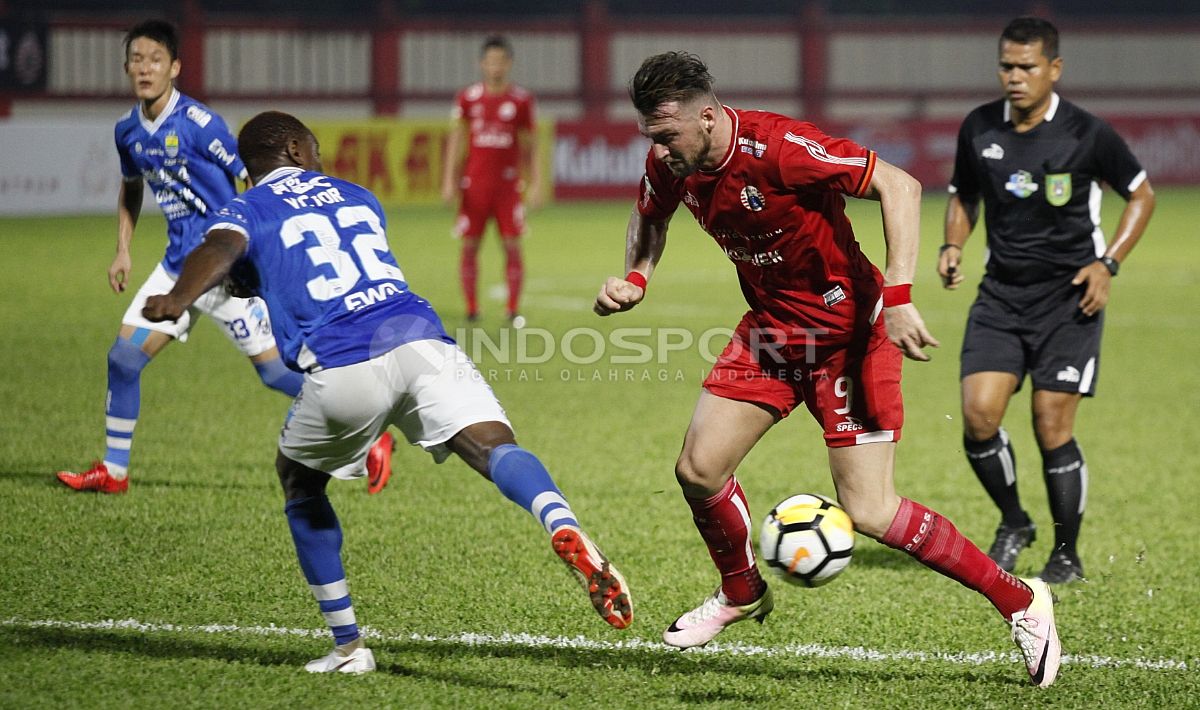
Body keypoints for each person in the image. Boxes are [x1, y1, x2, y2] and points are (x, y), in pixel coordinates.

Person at [595, 51, 1060, 687]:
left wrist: (898, 295)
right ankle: (740, 591)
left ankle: (1022, 601)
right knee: (698, 470)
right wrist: (637, 276)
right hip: (770, 332)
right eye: (652, 136)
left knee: (869, 510)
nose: (660, 150)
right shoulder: (670, 161)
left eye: (668, 135)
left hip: (851, 335)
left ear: (707, 117)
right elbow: (649, 218)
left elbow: (901, 186)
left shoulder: (780, 147)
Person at [142, 111, 633, 673]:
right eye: (316, 148)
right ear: (297, 151)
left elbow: (223, 251)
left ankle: (349, 647)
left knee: (300, 481)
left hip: (346, 362)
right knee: (494, 446)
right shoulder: (357, 196)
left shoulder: (242, 208)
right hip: (421, 339)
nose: (320, 157)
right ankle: (559, 520)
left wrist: (180, 296)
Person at [54, 20, 395, 495]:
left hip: (226, 269)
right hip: (178, 268)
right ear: (127, 68)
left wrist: (259, 246)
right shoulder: (127, 131)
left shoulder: (199, 125)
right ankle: (113, 473)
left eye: (155, 59)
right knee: (124, 360)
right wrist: (123, 251)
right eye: (136, 59)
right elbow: (131, 189)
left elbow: (257, 176)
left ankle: (372, 430)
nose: (144, 68)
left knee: (275, 372)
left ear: (174, 67)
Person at [939, 17, 1155, 584]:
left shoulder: (1087, 133)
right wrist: (953, 244)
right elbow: (964, 194)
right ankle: (1015, 521)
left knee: (1050, 423)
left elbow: (1142, 196)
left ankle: (1066, 553)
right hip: (1001, 296)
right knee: (979, 416)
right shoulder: (980, 127)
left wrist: (1108, 265)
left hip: (1070, 299)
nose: (1015, 77)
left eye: (1027, 67)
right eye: (1007, 66)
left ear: (1053, 69)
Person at [441, 35, 541, 327]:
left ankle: (512, 309)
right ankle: (472, 308)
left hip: (508, 187)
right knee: (470, 245)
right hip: (475, 185)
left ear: (508, 64)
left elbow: (530, 144)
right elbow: (457, 139)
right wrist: (449, 180)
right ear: (482, 64)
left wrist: (535, 182)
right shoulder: (468, 98)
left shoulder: (520, 100)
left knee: (512, 244)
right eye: (490, 61)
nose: (495, 67)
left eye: (501, 61)